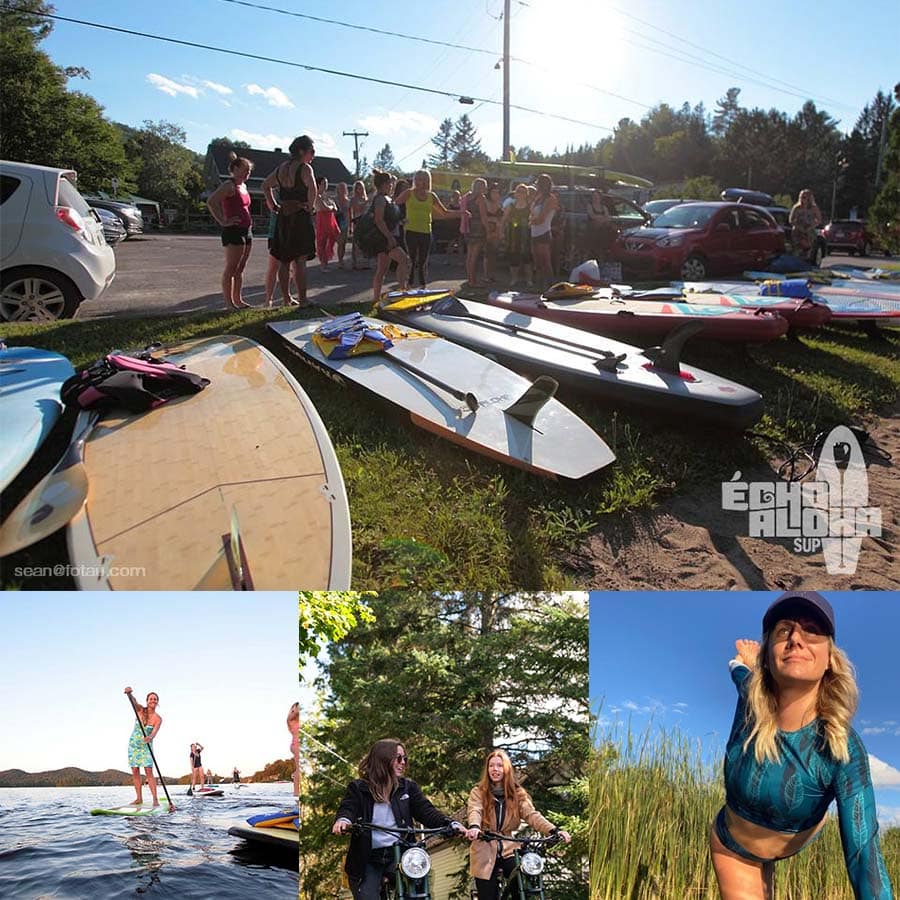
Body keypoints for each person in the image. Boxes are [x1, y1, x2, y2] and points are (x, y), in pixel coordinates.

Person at [710, 591, 894, 900]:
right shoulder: (750, 702)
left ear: (829, 661)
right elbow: (741, 675)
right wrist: (739, 659)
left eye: (812, 631)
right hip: (735, 846)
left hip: (797, 829)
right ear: (768, 658)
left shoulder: (842, 747)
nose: (796, 638)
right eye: (783, 630)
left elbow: (864, 854)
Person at [332, 738, 464, 900]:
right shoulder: (359, 788)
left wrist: (451, 824)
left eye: (405, 759)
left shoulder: (408, 787)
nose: (403, 763)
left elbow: (427, 811)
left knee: (418, 887)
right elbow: (348, 808)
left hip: (400, 853)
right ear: (383, 760)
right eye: (398, 758)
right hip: (368, 858)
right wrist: (344, 820)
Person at [464, 749, 571, 900]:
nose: (495, 769)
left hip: (509, 848)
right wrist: (474, 826)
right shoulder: (478, 792)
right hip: (484, 848)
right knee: (487, 895)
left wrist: (553, 830)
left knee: (522, 881)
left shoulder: (518, 793)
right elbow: (475, 810)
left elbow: (531, 815)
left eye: (499, 766)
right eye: (491, 766)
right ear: (487, 770)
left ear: (506, 769)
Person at [261, 134, 317, 305]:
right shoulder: (305, 168)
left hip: (283, 217)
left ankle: (286, 299)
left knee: (284, 260)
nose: (313, 155)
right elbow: (313, 189)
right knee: (300, 260)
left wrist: (273, 204)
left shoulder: (281, 168)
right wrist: (311, 206)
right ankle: (303, 299)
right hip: (299, 216)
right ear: (302, 151)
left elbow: (265, 185)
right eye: (311, 151)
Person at [393, 169, 464, 288]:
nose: (421, 182)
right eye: (419, 179)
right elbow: (394, 206)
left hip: (426, 230)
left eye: (424, 179)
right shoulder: (409, 193)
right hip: (411, 230)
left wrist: (462, 213)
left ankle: (422, 285)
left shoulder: (431, 196)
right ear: (415, 180)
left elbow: (444, 213)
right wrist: (401, 219)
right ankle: (409, 284)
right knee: (411, 259)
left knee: (423, 261)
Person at [206, 152, 254, 310]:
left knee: (240, 268)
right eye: (245, 169)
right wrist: (223, 221)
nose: (248, 173)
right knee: (231, 267)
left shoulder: (244, 186)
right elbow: (211, 202)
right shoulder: (229, 185)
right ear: (235, 169)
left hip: (246, 230)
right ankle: (229, 303)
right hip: (233, 231)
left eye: (249, 170)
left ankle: (238, 300)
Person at [366, 169, 409, 302]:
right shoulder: (380, 199)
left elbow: (389, 218)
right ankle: (402, 292)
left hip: (387, 237)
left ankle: (376, 299)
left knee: (382, 270)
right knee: (404, 260)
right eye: (390, 183)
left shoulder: (386, 199)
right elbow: (379, 220)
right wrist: (390, 237)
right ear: (383, 184)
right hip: (385, 239)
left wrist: (400, 221)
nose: (392, 186)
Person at [124, 687, 162, 806]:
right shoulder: (140, 710)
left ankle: (155, 799)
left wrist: (149, 737)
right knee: (135, 770)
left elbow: (154, 732)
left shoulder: (158, 718)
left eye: (155, 699)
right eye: (151, 699)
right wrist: (129, 695)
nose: (153, 701)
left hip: (146, 745)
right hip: (134, 744)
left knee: (148, 771)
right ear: (147, 701)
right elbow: (134, 702)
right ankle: (139, 798)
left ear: (157, 702)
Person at [529, 173, 559, 291]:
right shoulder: (538, 198)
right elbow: (531, 214)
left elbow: (542, 218)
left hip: (543, 232)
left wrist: (532, 221)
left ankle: (551, 287)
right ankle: (539, 287)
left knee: (545, 261)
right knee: (537, 262)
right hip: (534, 232)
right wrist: (532, 220)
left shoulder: (550, 199)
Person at [502, 183, 532, 288]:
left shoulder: (530, 206)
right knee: (514, 256)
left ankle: (529, 280)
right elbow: (504, 219)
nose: (521, 194)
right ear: (515, 193)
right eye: (519, 191)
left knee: (527, 257)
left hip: (526, 234)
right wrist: (502, 231)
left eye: (523, 192)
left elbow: (534, 218)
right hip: (513, 234)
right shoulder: (511, 206)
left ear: (526, 194)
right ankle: (514, 279)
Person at [464, 178, 488, 287]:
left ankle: (470, 279)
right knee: (474, 256)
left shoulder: (468, 197)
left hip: (468, 226)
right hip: (478, 228)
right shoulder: (481, 198)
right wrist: (488, 229)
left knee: (469, 256)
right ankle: (473, 281)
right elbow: (483, 217)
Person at [314, 176, 341, 271]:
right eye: (323, 183)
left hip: (330, 219)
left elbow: (335, 207)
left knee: (332, 238)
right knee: (322, 241)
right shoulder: (316, 195)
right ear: (318, 185)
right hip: (322, 218)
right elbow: (323, 207)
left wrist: (331, 206)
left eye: (326, 183)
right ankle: (323, 264)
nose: (326, 185)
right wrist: (331, 207)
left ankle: (325, 262)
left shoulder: (326, 195)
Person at [788, 189, 822, 263]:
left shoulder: (814, 208)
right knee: (797, 249)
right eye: (801, 197)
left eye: (804, 197)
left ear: (809, 198)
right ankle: (796, 262)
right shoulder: (796, 207)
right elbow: (791, 220)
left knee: (808, 248)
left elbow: (819, 220)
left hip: (809, 231)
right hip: (798, 230)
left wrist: (811, 226)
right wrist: (799, 227)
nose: (802, 199)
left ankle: (807, 261)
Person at [483, 183, 504, 283]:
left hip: (497, 229)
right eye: (494, 192)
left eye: (497, 192)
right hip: (488, 229)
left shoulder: (499, 204)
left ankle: (492, 274)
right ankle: (486, 275)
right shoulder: (485, 202)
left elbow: (501, 218)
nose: (496, 194)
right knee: (488, 252)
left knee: (494, 253)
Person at [586, 189, 614, 264]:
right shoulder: (590, 206)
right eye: (593, 196)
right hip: (592, 232)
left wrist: (600, 218)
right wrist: (602, 218)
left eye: (597, 196)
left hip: (603, 231)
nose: (595, 198)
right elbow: (592, 216)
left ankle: (602, 259)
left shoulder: (603, 207)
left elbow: (608, 218)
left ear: (600, 197)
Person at [350, 180, 371, 270]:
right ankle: (356, 263)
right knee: (357, 242)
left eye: (362, 188)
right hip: (358, 221)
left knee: (365, 241)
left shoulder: (365, 199)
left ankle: (365, 262)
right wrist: (366, 203)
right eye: (358, 188)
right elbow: (357, 209)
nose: (360, 190)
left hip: (366, 221)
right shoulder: (354, 199)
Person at [335, 182, 351, 269]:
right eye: (340, 188)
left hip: (345, 222)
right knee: (340, 242)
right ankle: (339, 260)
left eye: (344, 188)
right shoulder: (335, 200)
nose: (342, 190)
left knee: (343, 243)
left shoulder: (348, 201)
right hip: (337, 222)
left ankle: (341, 260)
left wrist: (350, 224)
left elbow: (350, 213)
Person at [288, 701, 300, 797]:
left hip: (299, 744)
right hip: (296, 744)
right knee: (299, 770)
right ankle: (296, 795)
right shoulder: (291, 719)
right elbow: (295, 713)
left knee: (299, 770)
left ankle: (299, 793)